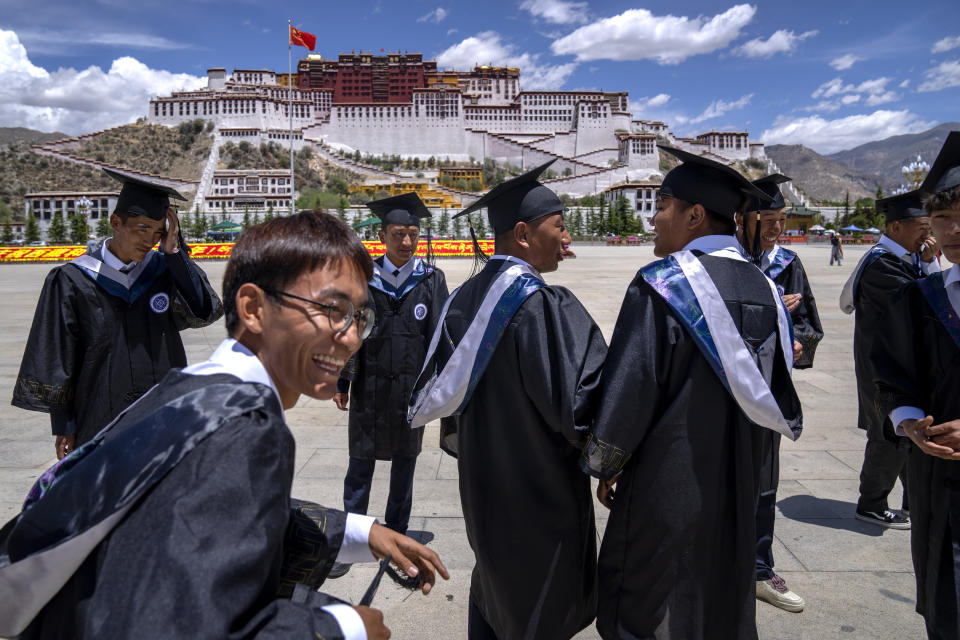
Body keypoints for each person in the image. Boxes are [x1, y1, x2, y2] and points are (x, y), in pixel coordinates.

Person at [0, 211, 448, 640]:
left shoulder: (198, 390)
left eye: (359, 317)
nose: (349, 336)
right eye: (332, 309)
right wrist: (346, 629)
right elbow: (196, 625)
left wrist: (358, 531)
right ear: (253, 307)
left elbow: (218, 513)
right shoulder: (246, 429)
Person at [581, 146, 803, 639]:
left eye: (662, 206)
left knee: (654, 602)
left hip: (670, 480)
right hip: (743, 477)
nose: (654, 220)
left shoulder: (661, 286)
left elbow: (631, 388)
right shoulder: (765, 289)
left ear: (695, 215)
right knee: (721, 593)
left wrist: (606, 463)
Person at [409, 160, 607, 639]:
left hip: (483, 488)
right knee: (539, 605)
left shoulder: (463, 299)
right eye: (559, 227)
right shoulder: (539, 306)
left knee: (495, 586)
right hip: (541, 496)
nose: (567, 240)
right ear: (522, 233)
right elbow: (580, 407)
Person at [12, 169, 223, 459]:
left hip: (163, 413)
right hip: (100, 414)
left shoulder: (163, 270)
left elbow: (203, 310)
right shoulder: (74, 280)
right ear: (115, 222)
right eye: (141, 228)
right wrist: (64, 424)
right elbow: (60, 355)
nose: (149, 239)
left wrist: (173, 252)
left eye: (157, 231)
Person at [871, 130, 960, 640]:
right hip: (939, 483)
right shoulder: (922, 297)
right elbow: (892, 376)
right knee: (946, 602)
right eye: (942, 219)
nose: (952, 230)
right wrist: (909, 422)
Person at [332, 193, 448, 571]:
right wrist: (343, 383)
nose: (407, 242)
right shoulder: (365, 280)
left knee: (405, 464)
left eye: (413, 233)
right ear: (382, 235)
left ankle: (397, 535)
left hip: (409, 393)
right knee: (360, 465)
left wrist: (438, 389)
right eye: (398, 233)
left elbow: (439, 339)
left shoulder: (431, 281)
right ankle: (351, 540)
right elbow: (351, 334)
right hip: (370, 389)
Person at [737, 173, 824, 613]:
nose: (776, 228)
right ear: (742, 218)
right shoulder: (726, 263)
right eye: (767, 218)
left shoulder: (787, 263)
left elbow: (810, 324)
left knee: (764, 486)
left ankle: (758, 569)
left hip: (767, 396)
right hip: (725, 393)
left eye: (782, 218)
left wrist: (796, 341)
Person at [839, 189, 941, 529]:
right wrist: (932, 265)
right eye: (924, 226)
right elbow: (926, 304)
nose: (929, 235)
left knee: (911, 434)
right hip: (881, 366)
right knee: (888, 434)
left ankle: (916, 503)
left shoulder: (905, 258)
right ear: (896, 226)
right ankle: (871, 503)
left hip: (902, 362)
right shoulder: (882, 264)